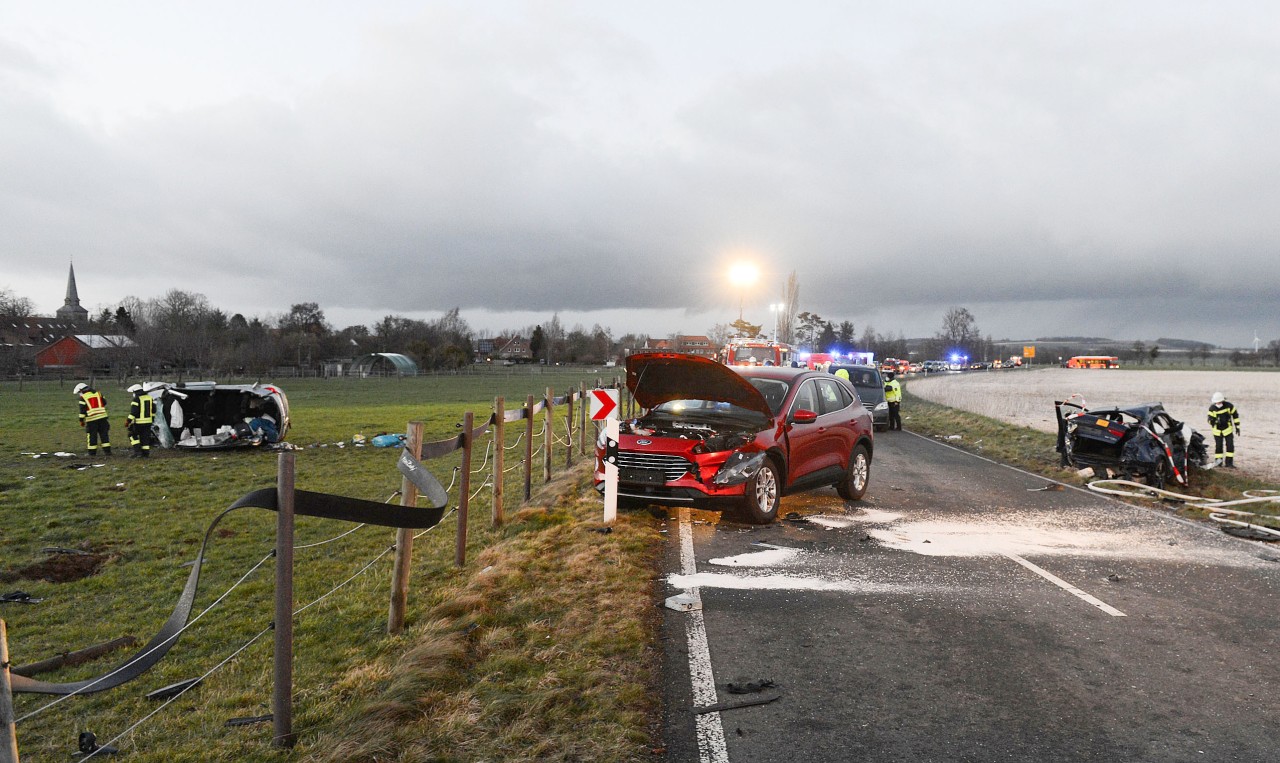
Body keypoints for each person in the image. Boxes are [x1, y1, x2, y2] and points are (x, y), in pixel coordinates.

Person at [73, 382, 111, 456]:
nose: (79, 394)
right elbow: (104, 402)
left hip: (91, 420)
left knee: (92, 437)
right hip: (103, 418)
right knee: (104, 436)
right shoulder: (99, 394)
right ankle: (107, 452)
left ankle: (92, 453)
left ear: (81, 390)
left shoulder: (83, 398)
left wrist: (81, 420)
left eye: (79, 392)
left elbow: (82, 411)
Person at [1207, 391, 1241, 468]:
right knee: (1218, 447)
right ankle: (1218, 463)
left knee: (1230, 446)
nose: (1218, 404)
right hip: (1217, 432)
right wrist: (1213, 421)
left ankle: (1229, 463)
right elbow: (1209, 419)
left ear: (1222, 400)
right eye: (1216, 402)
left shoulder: (1229, 406)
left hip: (1228, 430)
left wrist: (1237, 427)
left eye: (1219, 402)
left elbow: (1235, 416)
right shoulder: (1212, 408)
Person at [126, 383, 156, 457]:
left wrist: (128, 421)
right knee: (145, 438)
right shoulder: (149, 397)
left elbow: (133, 412)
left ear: (135, 392)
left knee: (131, 435)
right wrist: (152, 419)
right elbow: (154, 410)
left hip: (139, 422)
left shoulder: (136, 399)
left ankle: (138, 452)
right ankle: (145, 454)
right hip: (148, 422)